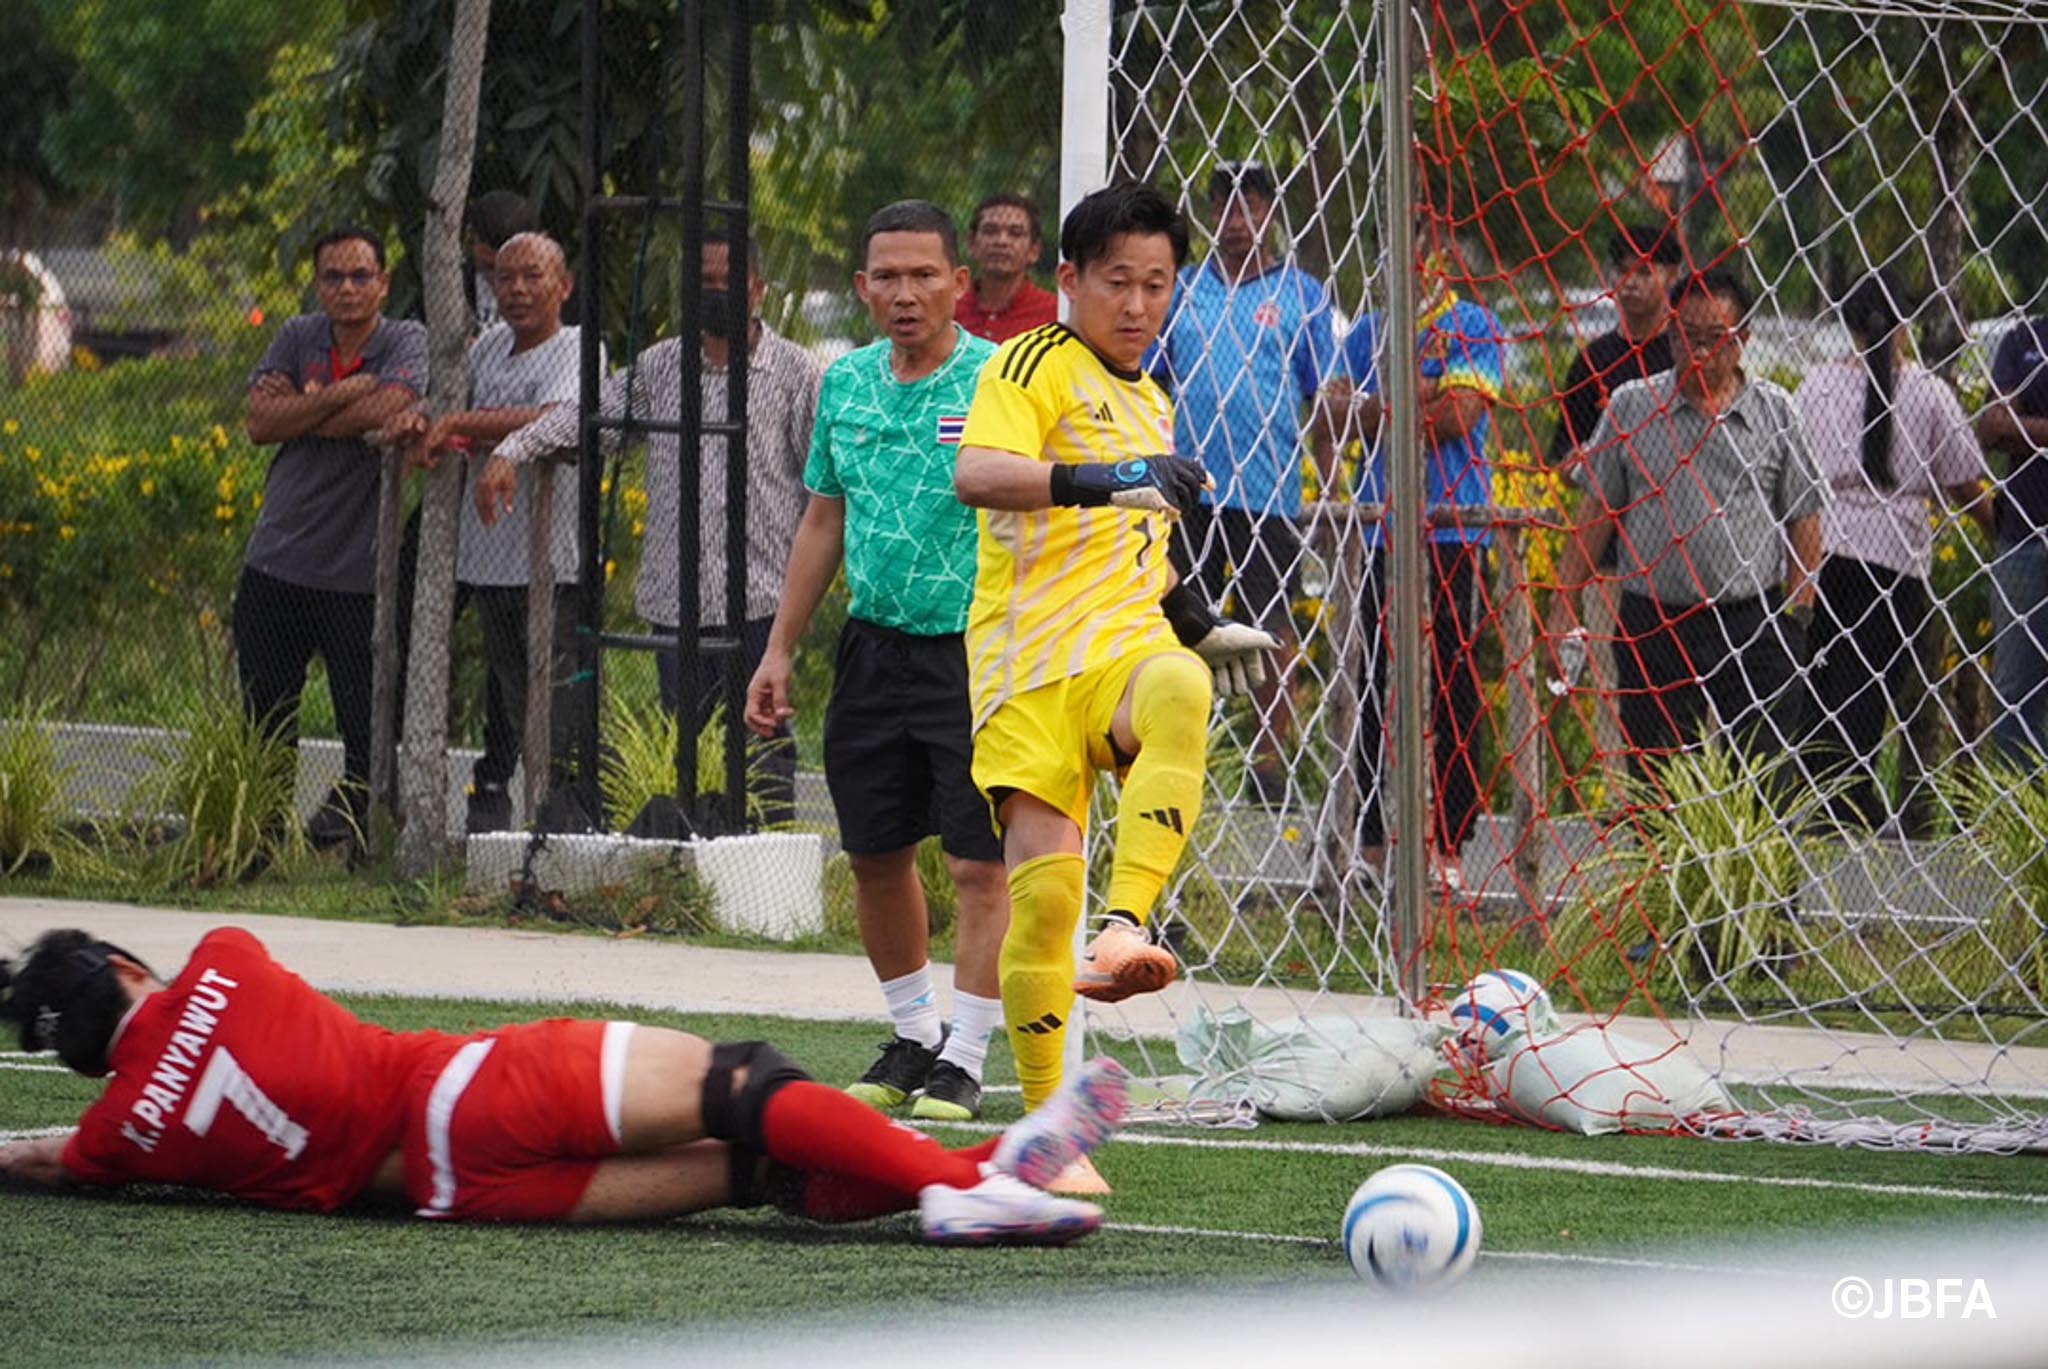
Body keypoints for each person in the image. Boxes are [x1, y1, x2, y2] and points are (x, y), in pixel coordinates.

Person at [0, 925, 1125, 1245]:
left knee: (751, 1171)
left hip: (455, 1192)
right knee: (744, 1082)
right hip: (465, 1088)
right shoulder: (225, 959)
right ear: (122, 966)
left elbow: (44, 1157)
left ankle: (988, 1174)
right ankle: (956, 1180)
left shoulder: (115, 1140)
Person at [954, 181, 1269, 1191]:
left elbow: (1143, 552)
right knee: (1038, 906)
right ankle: (1048, 1132)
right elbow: (977, 473)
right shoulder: (1031, 359)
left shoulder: (1152, 397)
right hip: (1022, 675)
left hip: (1118, 658)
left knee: (1180, 684)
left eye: (1156, 285)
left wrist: (1200, 623)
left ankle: (1128, 922)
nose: (1136, 305)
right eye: (1116, 282)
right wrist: (1103, 477)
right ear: (1069, 281)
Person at [744, 202, 1010, 1122]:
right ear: (861, 287)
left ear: (958, 284)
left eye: (923, 275)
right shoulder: (844, 382)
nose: (905, 294)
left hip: (976, 654)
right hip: (871, 649)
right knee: (874, 855)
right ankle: (914, 1035)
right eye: (886, 277)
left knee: (981, 865)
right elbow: (824, 517)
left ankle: (967, 1057)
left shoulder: (1000, 380)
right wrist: (779, 649)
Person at [481, 234, 820, 828]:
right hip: (678, 598)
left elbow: (825, 482)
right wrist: (513, 449)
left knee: (763, 741)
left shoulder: (795, 373)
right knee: (684, 740)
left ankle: (766, 870)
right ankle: (691, 856)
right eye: (703, 282)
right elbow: (588, 416)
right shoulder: (663, 365)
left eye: (729, 281)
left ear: (758, 290)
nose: (715, 293)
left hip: (764, 594)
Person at [1554, 268, 1826, 777]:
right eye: (1684, 336)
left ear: (1742, 340)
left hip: (1753, 620)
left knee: (1764, 779)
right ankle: (1663, 859)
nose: (1697, 352)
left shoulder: (1776, 413)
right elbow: (1596, 514)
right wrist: (1563, 604)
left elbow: (1805, 521)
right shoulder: (1633, 407)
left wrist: (1796, 618)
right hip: (1654, 621)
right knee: (1657, 782)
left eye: (1712, 340)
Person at [392, 233, 596, 833]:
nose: (517, 289)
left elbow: (554, 417)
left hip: (549, 562)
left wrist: (459, 422)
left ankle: (564, 819)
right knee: (509, 686)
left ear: (564, 286)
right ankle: (513, 815)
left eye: (532, 276)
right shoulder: (488, 350)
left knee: (554, 694)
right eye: (505, 278)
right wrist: (424, 417)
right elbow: (455, 404)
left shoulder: (578, 347)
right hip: (487, 556)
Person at [1151, 161, 1338, 805]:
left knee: (1269, 624)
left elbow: (1323, 400)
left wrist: (1333, 479)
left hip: (1271, 491)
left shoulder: (1303, 294)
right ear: (1209, 215)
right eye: (1226, 208)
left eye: (1252, 207)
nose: (1238, 221)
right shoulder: (1182, 289)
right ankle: (1178, 743)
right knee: (1179, 615)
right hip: (1189, 489)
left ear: (1273, 214)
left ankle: (1266, 760)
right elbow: (1152, 381)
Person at [240, 228, 428, 849]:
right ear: (318, 283)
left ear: (384, 282)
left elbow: (392, 406)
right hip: (278, 563)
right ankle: (261, 840)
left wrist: (311, 403)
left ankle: (363, 845)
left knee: (365, 719)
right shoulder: (297, 335)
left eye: (359, 276)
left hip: (358, 574)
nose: (347, 289)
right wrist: (350, 390)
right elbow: (260, 423)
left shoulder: (406, 339)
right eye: (333, 278)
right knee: (267, 715)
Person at [1329, 243, 1504, 889]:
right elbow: (1331, 416)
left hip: (1455, 531)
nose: (1417, 253)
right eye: (1408, 240)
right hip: (1380, 531)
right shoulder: (1369, 330)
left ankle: (1448, 850)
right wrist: (1418, 392)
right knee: (1373, 683)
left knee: (1453, 683)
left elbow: (1461, 417)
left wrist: (1379, 404)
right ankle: (1371, 845)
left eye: (1429, 239)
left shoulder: (1476, 325)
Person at [1795, 271, 1991, 826]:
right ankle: (1846, 797)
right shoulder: (1929, 392)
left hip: (1823, 547)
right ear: (1905, 324)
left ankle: (1819, 793)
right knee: (1870, 681)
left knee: (1821, 675)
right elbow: (1962, 481)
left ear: (1850, 325)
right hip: (1895, 562)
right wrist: (2001, 525)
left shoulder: (1816, 386)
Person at [1547, 222, 1685, 470]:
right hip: (1610, 504)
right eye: (1623, 271)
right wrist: (1575, 464)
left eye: (1644, 272)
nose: (1630, 283)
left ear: (1672, 275)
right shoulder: (1593, 360)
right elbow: (1565, 454)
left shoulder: (1684, 353)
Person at [1980, 313, 2048, 763]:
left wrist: (2027, 423)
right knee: (2014, 689)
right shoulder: (2022, 338)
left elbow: (2010, 426)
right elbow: (1991, 427)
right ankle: (2013, 819)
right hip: (2022, 535)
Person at [955, 194, 1059, 343]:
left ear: (1034, 250)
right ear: (972, 243)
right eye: (990, 231)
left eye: (1015, 233)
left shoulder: (1055, 314)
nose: (1001, 241)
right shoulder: (948, 310)